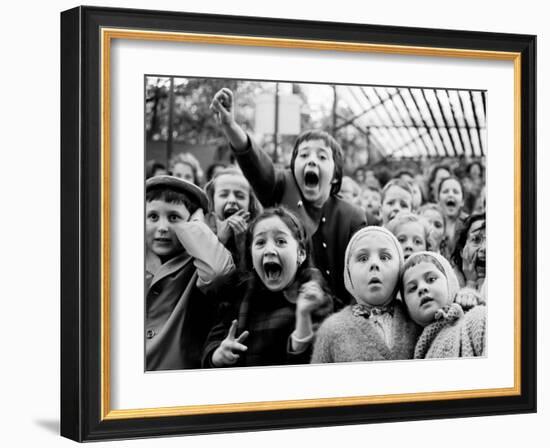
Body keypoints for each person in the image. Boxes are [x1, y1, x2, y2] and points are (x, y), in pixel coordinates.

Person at [210, 87, 366, 306]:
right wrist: (230, 126)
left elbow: (361, 274)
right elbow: (256, 163)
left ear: (335, 175)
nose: (312, 160)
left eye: (322, 156)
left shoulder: (352, 217)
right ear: (293, 168)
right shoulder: (282, 186)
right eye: (304, 155)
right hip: (282, 309)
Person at [202, 207, 333, 368]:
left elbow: (316, 364)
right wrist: (218, 355)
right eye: (260, 242)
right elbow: (212, 345)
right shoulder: (238, 292)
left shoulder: (314, 294)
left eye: (281, 241)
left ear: (301, 254)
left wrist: (303, 316)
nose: (269, 250)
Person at [145, 175, 235, 370]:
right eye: (153, 217)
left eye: (174, 218)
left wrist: (197, 227)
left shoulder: (197, 262)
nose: (162, 228)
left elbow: (217, 273)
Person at [311, 227, 420, 363]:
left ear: (400, 268)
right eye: (363, 258)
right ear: (348, 273)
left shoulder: (416, 317)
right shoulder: (331, 330)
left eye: (385, 257)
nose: (374, 264)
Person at [400, 251, 486, 359]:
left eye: (431, 279)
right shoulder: (410, 350)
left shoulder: (476, 319)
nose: (422, 288)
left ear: (451, 284)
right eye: (413, 288)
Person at [204, 167, 262, 266]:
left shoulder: (258, 233)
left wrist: (241, 243)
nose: (232, 200)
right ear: (212, 201)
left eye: (240, 196)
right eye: (224, 195)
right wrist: (220, 241)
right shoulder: (202, 231)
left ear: (250, 204)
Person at [451, 213, 486, 291]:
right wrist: (471, 282)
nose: (484, 248)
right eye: (476, 239)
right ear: (461, 250)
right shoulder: (448, 282)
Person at [438, 176, 468, 259]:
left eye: (455, 192)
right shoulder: (431, 223)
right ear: (438, 199)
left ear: (462, 201)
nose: (450, 194)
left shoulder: (469, 224)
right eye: (445, 191)